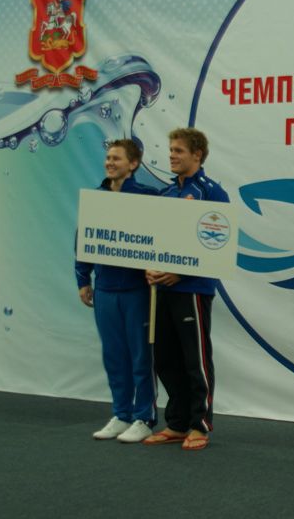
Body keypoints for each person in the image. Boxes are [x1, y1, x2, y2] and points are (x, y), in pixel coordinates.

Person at [142, 127, 229, 451]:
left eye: (178, 151)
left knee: (196, 359)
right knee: (164, 358)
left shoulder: (211, 192)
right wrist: (148, 266)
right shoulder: (166, 194)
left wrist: (180, 272)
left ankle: (199, 425)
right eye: (171, 151)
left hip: (193, 289)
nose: (172, 156)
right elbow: (155, 239)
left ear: (197, 154)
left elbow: (218, 244)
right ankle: (177, 423)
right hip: (162, 289)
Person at [76, 139, 158, 443]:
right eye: (108, 158)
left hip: (138, 290)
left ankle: (144, 417)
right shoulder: (96, 198)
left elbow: (165, 235)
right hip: (106, 290)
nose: (110, 162)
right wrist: (83, 279)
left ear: (133, 164)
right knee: (114, 356)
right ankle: (121, 414)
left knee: (141, 357)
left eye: (117, 158)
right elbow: (84, 239)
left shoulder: (149, 197)